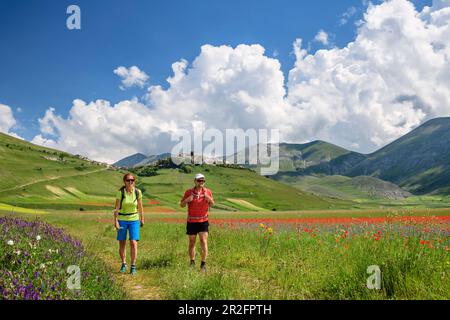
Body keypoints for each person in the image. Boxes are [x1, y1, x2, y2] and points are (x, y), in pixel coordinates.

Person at [180, 173, 214, 272]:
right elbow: (182, 205)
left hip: (203, 221)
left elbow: (212, 204)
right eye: (199, 181)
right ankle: (192, 262)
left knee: (204, 241)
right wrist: (187, 200)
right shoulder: (188, 192)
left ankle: (203, 264)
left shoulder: (208, 192)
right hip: (191, 221)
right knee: (192, 242)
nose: (201, 183)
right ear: (194, 181)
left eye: (203, 181)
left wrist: (209, 199)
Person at [113, 173, 144, 275]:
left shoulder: (137, 192)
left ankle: (133, 266)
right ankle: (123, 264)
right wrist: (115, 221)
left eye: (132, 180)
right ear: (124, 182)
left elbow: (140, 207)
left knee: (133, 242)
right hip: (122, 219)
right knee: (122, 242)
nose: (130, 182)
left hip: (134, 219)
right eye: (128, 180)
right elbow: (116, 209)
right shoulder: (120, 193)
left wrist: (142, 218)